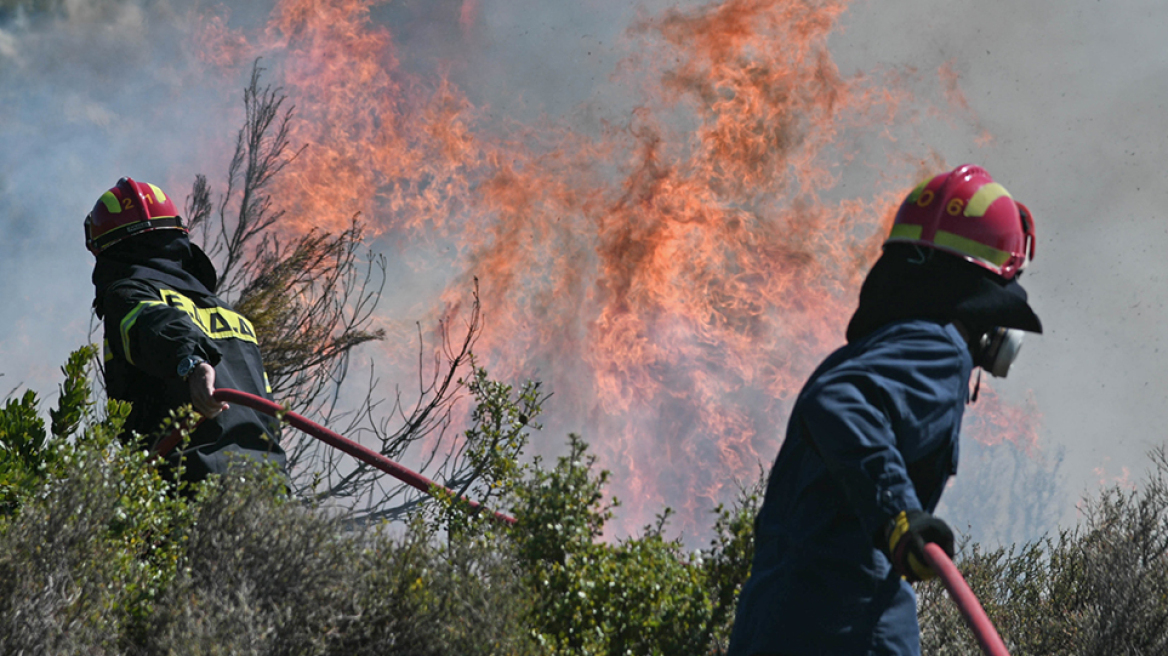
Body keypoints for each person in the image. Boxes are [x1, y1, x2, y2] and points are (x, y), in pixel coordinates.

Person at [727, 164, 1042, 656]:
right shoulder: (937, 350)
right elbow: (841, 403)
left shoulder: (870, 353)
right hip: (850, 629)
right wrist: (898, 513)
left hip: (773, 625)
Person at [87, 176, 286, 482]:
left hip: (191, 490)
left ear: (107, 252)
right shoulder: (235, 317)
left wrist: (191, 363)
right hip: (268, 489)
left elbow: (156, 324)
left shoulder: (127, 295)